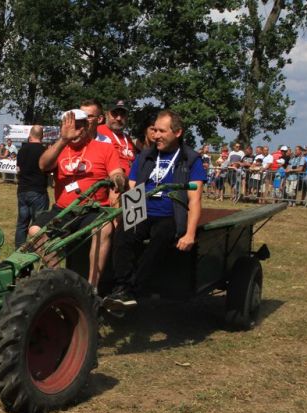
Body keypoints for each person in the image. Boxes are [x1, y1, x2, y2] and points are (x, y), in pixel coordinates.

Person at [105, 109, 206, 309]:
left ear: (177, 133)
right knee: (124, 233)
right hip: (141, 210)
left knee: (161, 236)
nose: (156, 135)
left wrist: (190, 234)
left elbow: (195, 200)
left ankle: (133, 288)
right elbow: (132, 188)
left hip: (170, 215)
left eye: (162, 131)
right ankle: (121, 288)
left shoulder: (190, 159)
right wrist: (123, 212)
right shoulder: (145, 156)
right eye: (155, 130)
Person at [29, 109, 126, 288]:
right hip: (64, 209)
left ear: (87, 127)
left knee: (103, 229)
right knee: (35, 232)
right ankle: (62, 281)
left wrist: (117, 180)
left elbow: (117, 173)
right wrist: (64, 139)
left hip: (93, 209)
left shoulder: (104, 148)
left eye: (79, 127)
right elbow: (43, 165)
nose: (75, 132)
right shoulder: (59, 148)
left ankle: (91, 287)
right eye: (69, 127)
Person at [14, 125, 49, 248]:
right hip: (38, 190)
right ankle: (38, 248)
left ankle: (18, 250)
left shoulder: (21, 150)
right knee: (38, 224)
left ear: (30, 136)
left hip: (22, 190)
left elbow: (19, 169)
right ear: (42, 136)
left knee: (22, 224)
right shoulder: (44, 151)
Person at [98, 100, 137, 173]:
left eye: (122, 114)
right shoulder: (98, 133)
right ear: (106, 115)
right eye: (114, 114)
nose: (119, 118)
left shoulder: (127, 138)